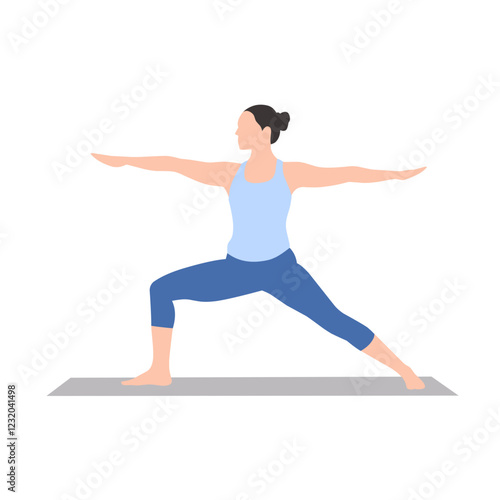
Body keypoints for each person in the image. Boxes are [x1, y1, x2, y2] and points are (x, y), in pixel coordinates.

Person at [92, 104, 426, 389]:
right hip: (235, 271)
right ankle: (159, 372)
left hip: (282, 272)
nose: (236, 133)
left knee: (335, 321)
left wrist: (393, 175)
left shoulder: (290, 173)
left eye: (243, 127)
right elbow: (172, 163)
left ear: (265, 133)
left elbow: (346, 174)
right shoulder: (228, 173)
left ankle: (404, 370)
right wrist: (122, 160)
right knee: (161, 290)